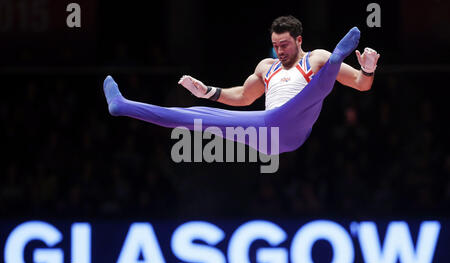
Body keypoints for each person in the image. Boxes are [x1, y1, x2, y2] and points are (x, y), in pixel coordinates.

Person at [103, 16, 380, 155]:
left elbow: (360, 84)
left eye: (284, 45)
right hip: (267, 131)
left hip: (296, 127)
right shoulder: (266, 67)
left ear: (298, 40)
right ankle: (123, 106)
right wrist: (208, 92)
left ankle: (338, 58)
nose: (279, 51)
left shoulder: (314, 58)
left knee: (319, 84)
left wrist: (367, 69)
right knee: (194, 117)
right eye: (275, 46)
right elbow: (244, 97)